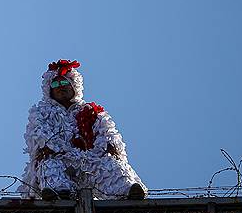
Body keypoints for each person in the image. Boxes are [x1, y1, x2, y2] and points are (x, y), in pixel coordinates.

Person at [19, 59, 147, 200]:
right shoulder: (41, 111)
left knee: (110, 164)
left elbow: (106, 130)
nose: (60, 86)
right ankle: (59, 193)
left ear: (74, 85)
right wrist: (50, 148)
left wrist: (110, 145)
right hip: (59, 157)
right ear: (49, 89)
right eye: (55, 83)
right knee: (49, 164)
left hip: (90, 159)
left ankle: (127, 191)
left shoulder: (91, 111)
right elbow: (38, 133)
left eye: (64, 82)